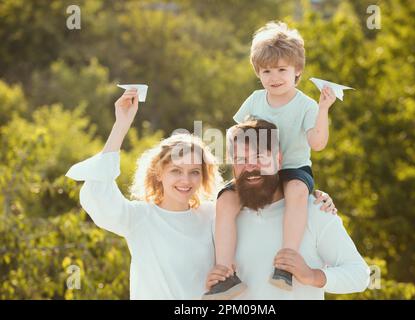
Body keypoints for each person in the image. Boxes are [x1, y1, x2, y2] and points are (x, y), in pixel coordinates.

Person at [65, 88, 336, 299]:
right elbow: (99, 194)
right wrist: (121, 125)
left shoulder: (214, 214)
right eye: (176, 171)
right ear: (159, 173)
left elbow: (261, 188)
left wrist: (311, 194)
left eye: (195, 171)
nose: (186, 180)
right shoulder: (139, 218)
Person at [212, 21, 338, 299]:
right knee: (225, 199)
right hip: (258, 167)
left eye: (282, 69)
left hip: (292, 168)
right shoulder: (255, 99)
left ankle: (286, 264)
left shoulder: (306, 104)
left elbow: (317, 143)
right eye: (266, 71)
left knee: (295, 192)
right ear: (258, 73)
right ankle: (224, 273)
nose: (274, 77)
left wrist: (324, 109)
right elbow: (237, 136)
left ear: (297, 71)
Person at [203, 118, 370, 300]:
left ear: (278, 159)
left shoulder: (314, 210)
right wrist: (211, 280)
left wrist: (312, 276)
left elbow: (359, 275)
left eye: (259, 157)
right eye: (241, 159)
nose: (250, 167)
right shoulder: (220, 218)